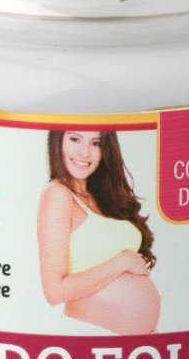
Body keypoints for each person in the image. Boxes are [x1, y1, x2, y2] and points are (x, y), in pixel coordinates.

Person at [37, 130, 160, 334]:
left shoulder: (101, 195)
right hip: (92, 335)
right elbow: (55, 291)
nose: (85, 152)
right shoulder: (58, 195)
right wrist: (121, 263)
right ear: (57, 141)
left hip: (137, 339)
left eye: (96, 143)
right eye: (75, 139)